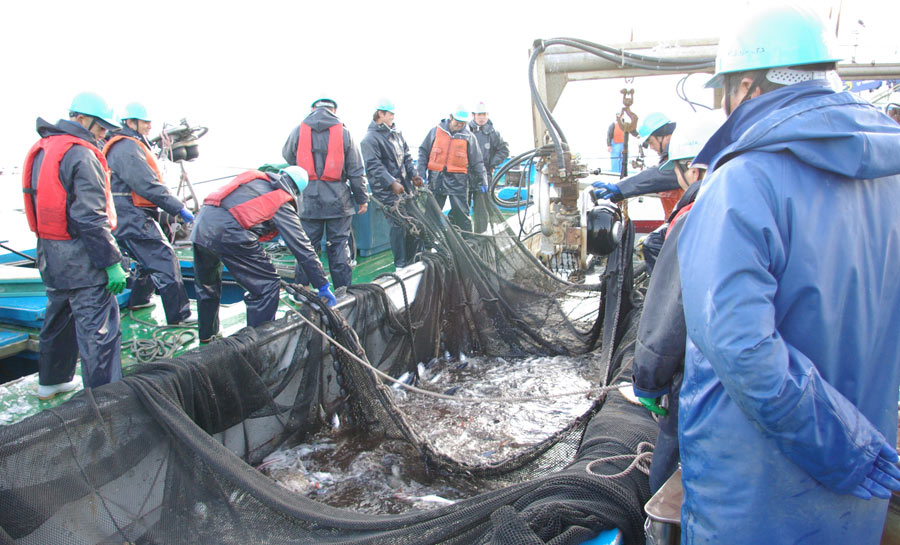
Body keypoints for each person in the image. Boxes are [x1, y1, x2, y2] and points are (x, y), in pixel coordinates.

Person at [676, 5, 900, 543]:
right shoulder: (889, 178)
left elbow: (740, 344)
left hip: (755, 495)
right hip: (860, 492)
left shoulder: (742, 182)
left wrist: (843, 447)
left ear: (748, 87)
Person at [629, 111, 723, 494]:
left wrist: (647, 381)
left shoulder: (694, 214)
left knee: (670, 456)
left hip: (699, 373)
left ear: (691, 167)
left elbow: (668, 314)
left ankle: (659, 530)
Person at [22, 92, 127, 398]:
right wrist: (111, 262)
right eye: (101, 126)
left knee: (58, 320)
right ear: (81, 118)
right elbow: (90, 216)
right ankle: (107, 401)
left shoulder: (43, 148)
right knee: (99, 331)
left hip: (50, 255)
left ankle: (52, 381)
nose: (104, 133)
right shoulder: (82, 154)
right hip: (83, 260)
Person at [190, 166, 336, 344]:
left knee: (207, 284)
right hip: (229, 233)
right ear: (297, 191)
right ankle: (258, 345)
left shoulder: (257, 180)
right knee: (267, 286)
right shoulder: (281, 199)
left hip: (201, 225)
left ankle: (207, 335)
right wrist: (322, 284)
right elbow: (302, 247)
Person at [103, 102, 194, 325]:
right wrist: (179, 208)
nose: (149, 126)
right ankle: (180, 316)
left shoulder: (127, 145)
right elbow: (147, 185)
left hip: (124, 215)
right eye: (145, 122)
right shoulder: (126, 147)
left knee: (144, 260)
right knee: (164, 258)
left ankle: (140, 299)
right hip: (130, 216)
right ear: (130, 122)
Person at [282, 96, 368, 290]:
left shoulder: (298, 130)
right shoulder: (345, 133)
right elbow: (355, 170)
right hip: (338, 202)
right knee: (338, 246)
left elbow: (288, 155)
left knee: (306, 247)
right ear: (334, 111)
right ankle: (342, 291)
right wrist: (362, 199)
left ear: (312, 109)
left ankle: (302, 291)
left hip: (307, 202)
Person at [594, 112, 680, 272]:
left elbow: (658, 176)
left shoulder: (680, 158)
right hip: (677, 222)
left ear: (663, 136)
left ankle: (669, 293)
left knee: (653, 244)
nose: (651, 147)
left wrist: (620, 188)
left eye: (651, 142)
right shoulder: (671, 154)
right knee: (654, 244)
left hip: (685, 222)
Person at [359, 99, 424, 268]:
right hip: (386, 192)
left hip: (405, 188)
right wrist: (391, 183)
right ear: (380, 114)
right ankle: (400, 264)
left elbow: (407, 156)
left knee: (414, 222)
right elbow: (374, 166)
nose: (393, 117)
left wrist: (414, 174)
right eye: (391, 114)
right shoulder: (369, 139)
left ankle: (414, 259)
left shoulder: (396, 133)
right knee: (398, 226)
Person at [418, 107, 487, 231]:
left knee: (462, 215)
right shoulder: (435, 131)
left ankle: (467, 243)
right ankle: (426, 245)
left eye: (463, 122)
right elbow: (423, 152)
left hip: (458, 181)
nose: (460, 125)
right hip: (436, 179)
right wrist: (421, 173)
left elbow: (477, 162)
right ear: (450, 117)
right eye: (457, 121)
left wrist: (483, 180)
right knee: (431, 214)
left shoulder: (469, 137)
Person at [468, 101, 509, 181]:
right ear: (473, 115)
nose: (482, 117)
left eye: (484, 114)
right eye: (479, 114)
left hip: (485, 173)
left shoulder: (493, 133)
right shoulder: (466, 131)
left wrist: (492, 164)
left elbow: (504, 150)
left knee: (484, 192)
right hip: (467, 173)